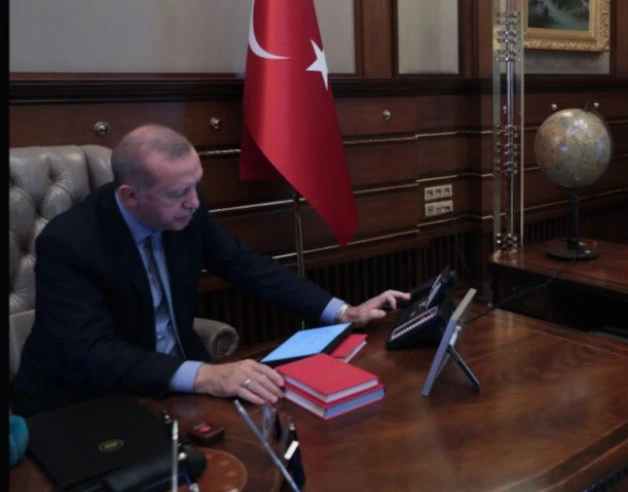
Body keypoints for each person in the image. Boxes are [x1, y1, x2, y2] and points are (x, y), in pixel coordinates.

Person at [10, 125, 409, 417]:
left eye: (195, 186)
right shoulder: (70, 243)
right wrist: (205, 377)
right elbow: (93, 354)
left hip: (176, 386)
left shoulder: (184, 208)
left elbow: (245, 266)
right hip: (86, 403)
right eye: (178, 193)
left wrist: (343, 312)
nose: (194, 202)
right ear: (131, 196)